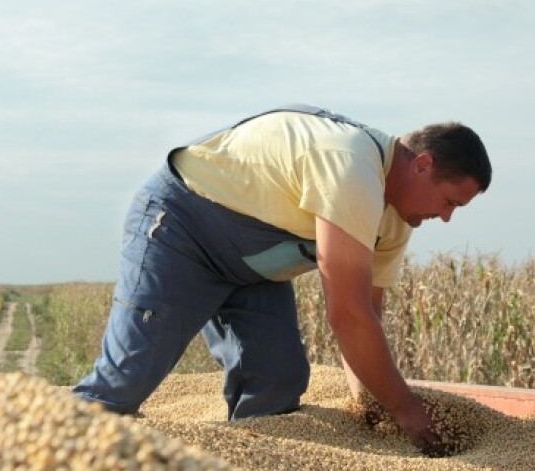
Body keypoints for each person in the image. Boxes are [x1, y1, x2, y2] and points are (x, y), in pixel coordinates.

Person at [72, 104, 492, 456]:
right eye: (450, 201)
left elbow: (368, 319)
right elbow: (347, 316)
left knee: (276, 383)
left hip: (254, 269)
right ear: (423, 165)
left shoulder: (395, 221)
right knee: (124, 382)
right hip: (183, 228)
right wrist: (405, 408)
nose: (447, 216)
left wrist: (370, 404)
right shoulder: (350, 164)